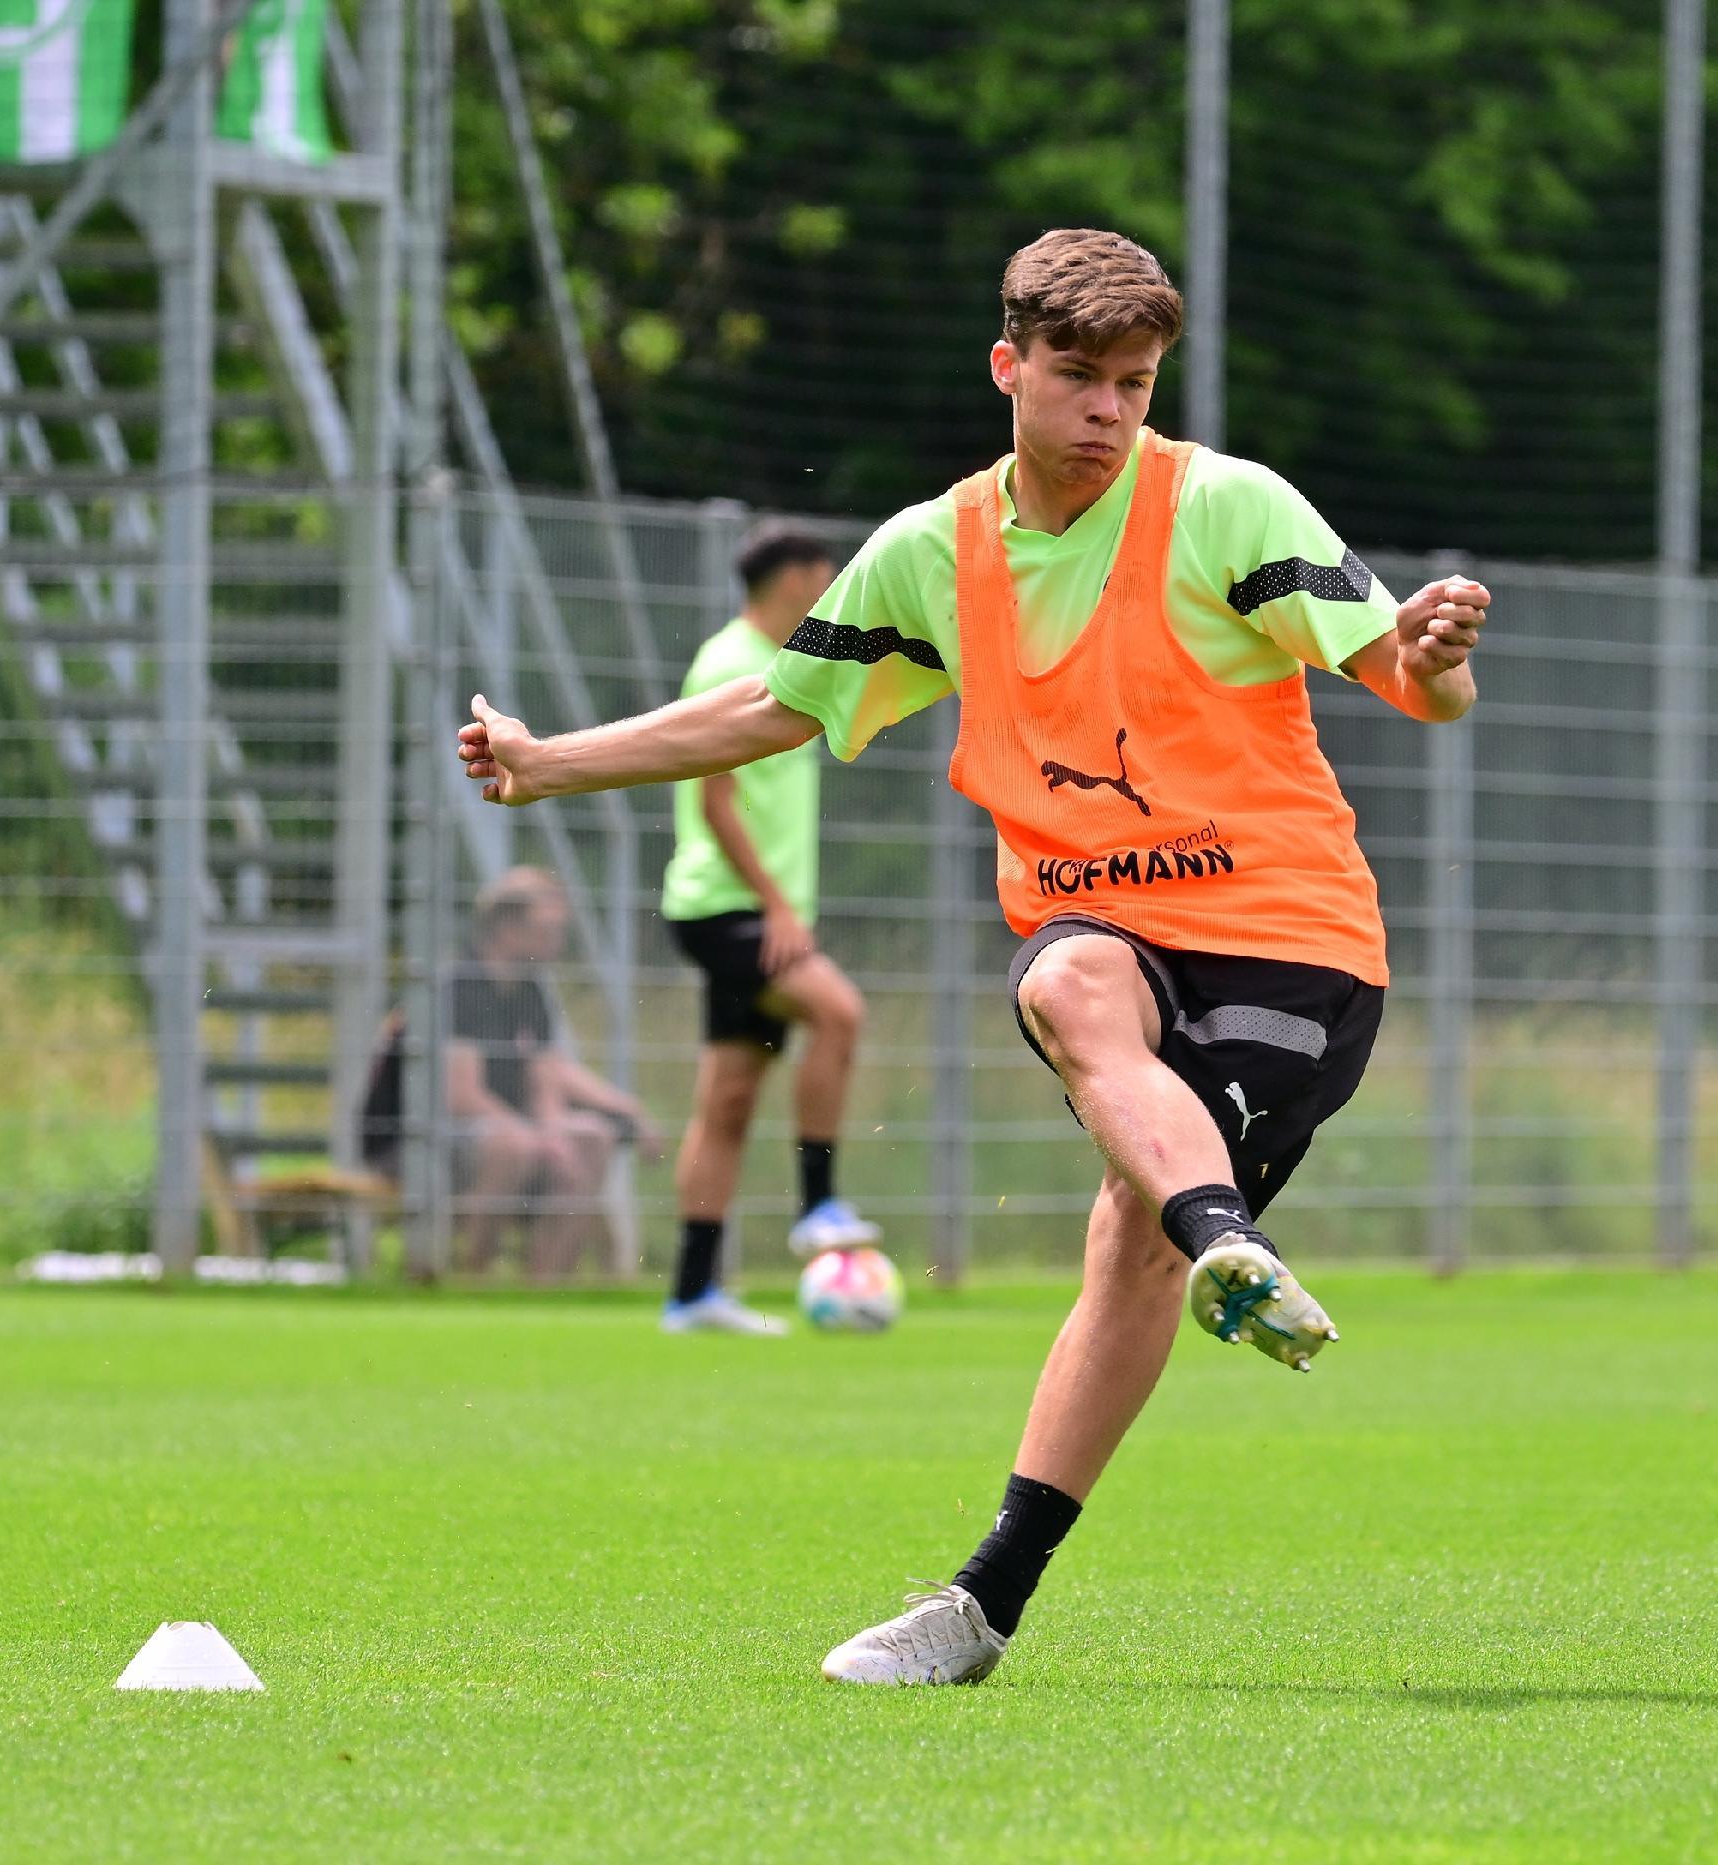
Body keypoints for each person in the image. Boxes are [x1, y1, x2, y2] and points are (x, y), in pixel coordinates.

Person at [453, 228, 1490, 1687]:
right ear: (1010, 367)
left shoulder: (1229, 508)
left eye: (1134, 383)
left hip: (1290, 940)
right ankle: (1223, 1251)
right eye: (1079, 377)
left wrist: (1433, 660)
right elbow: (775, 707)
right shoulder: (934, 551)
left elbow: (1401, 677)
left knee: (1123, 1241)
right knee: (1066, 984)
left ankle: (990, 1593)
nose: (1110, 410)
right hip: (1109, 938)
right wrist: (552, 763)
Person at [656, 522, 882, 1337]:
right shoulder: (730, 664)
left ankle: (690, 1293)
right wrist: (780, 907)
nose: (827, 591)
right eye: (823, 577)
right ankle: (818, 1204)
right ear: (795, 578)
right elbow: (715, 802)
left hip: (740, 909)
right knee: (838, 1012)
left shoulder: (785, 661)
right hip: (728, 909)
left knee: (727, 1101)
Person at [361, 866, 657, 1279]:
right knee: (513, 1145)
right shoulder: (458, 986)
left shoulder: (529, 987)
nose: (559, 941)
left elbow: (545, 1078)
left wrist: (560, 1131)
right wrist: (537, 1136)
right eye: (548, 928)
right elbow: (461, 1098)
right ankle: (472, 1278)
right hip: (412, 1142)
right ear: (507, 927)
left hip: (493, 1135)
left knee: (591, 1138)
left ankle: (542, 1288)